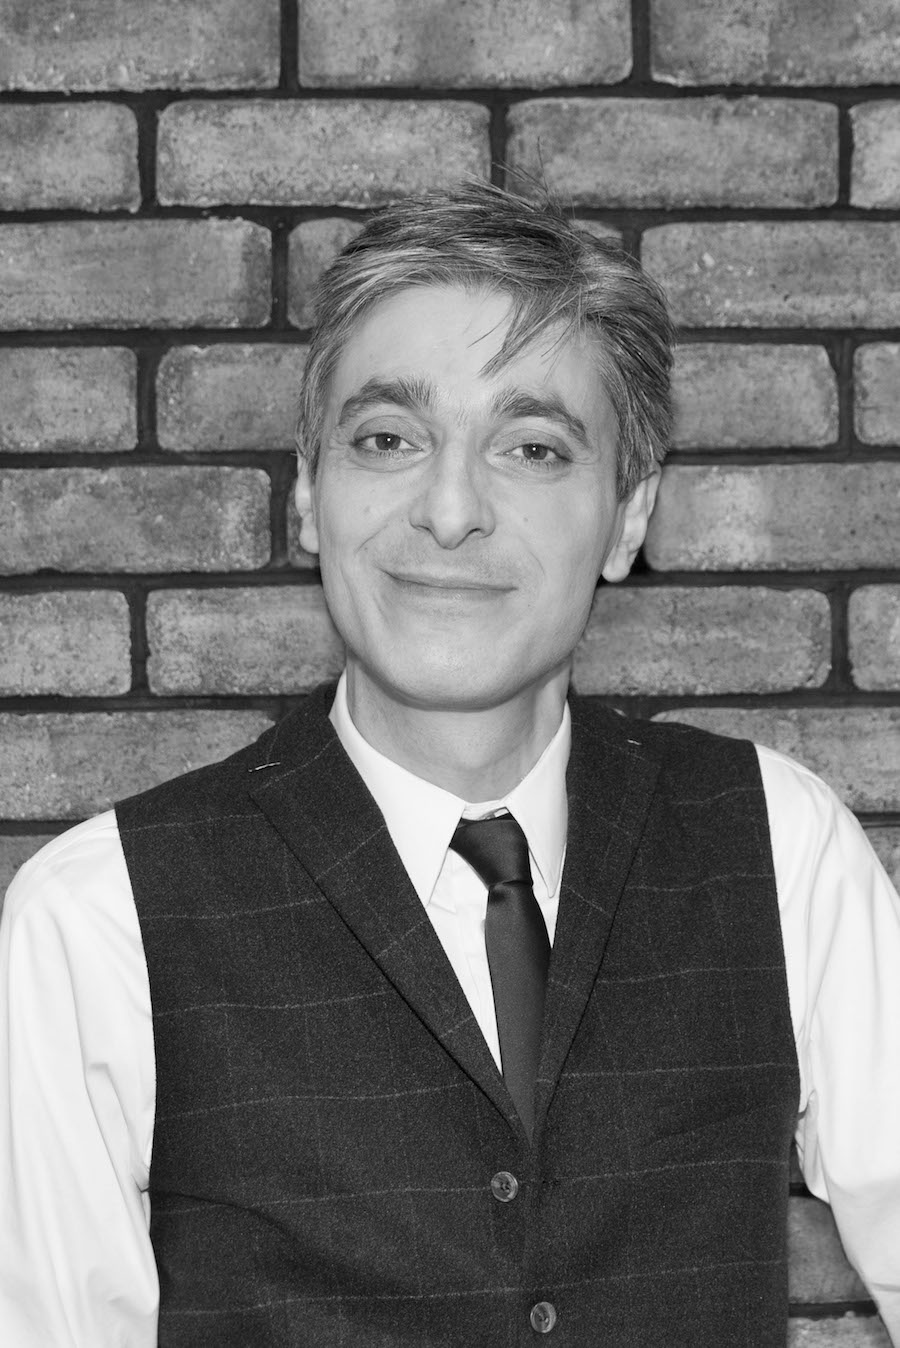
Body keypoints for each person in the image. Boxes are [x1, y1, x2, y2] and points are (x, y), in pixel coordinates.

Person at [1, 181, 898, 1348]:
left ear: (629, 516)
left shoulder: (780, 847)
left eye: (532, 448)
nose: (451, 506)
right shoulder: (96, 919)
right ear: (311, 491)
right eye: (388, 438)